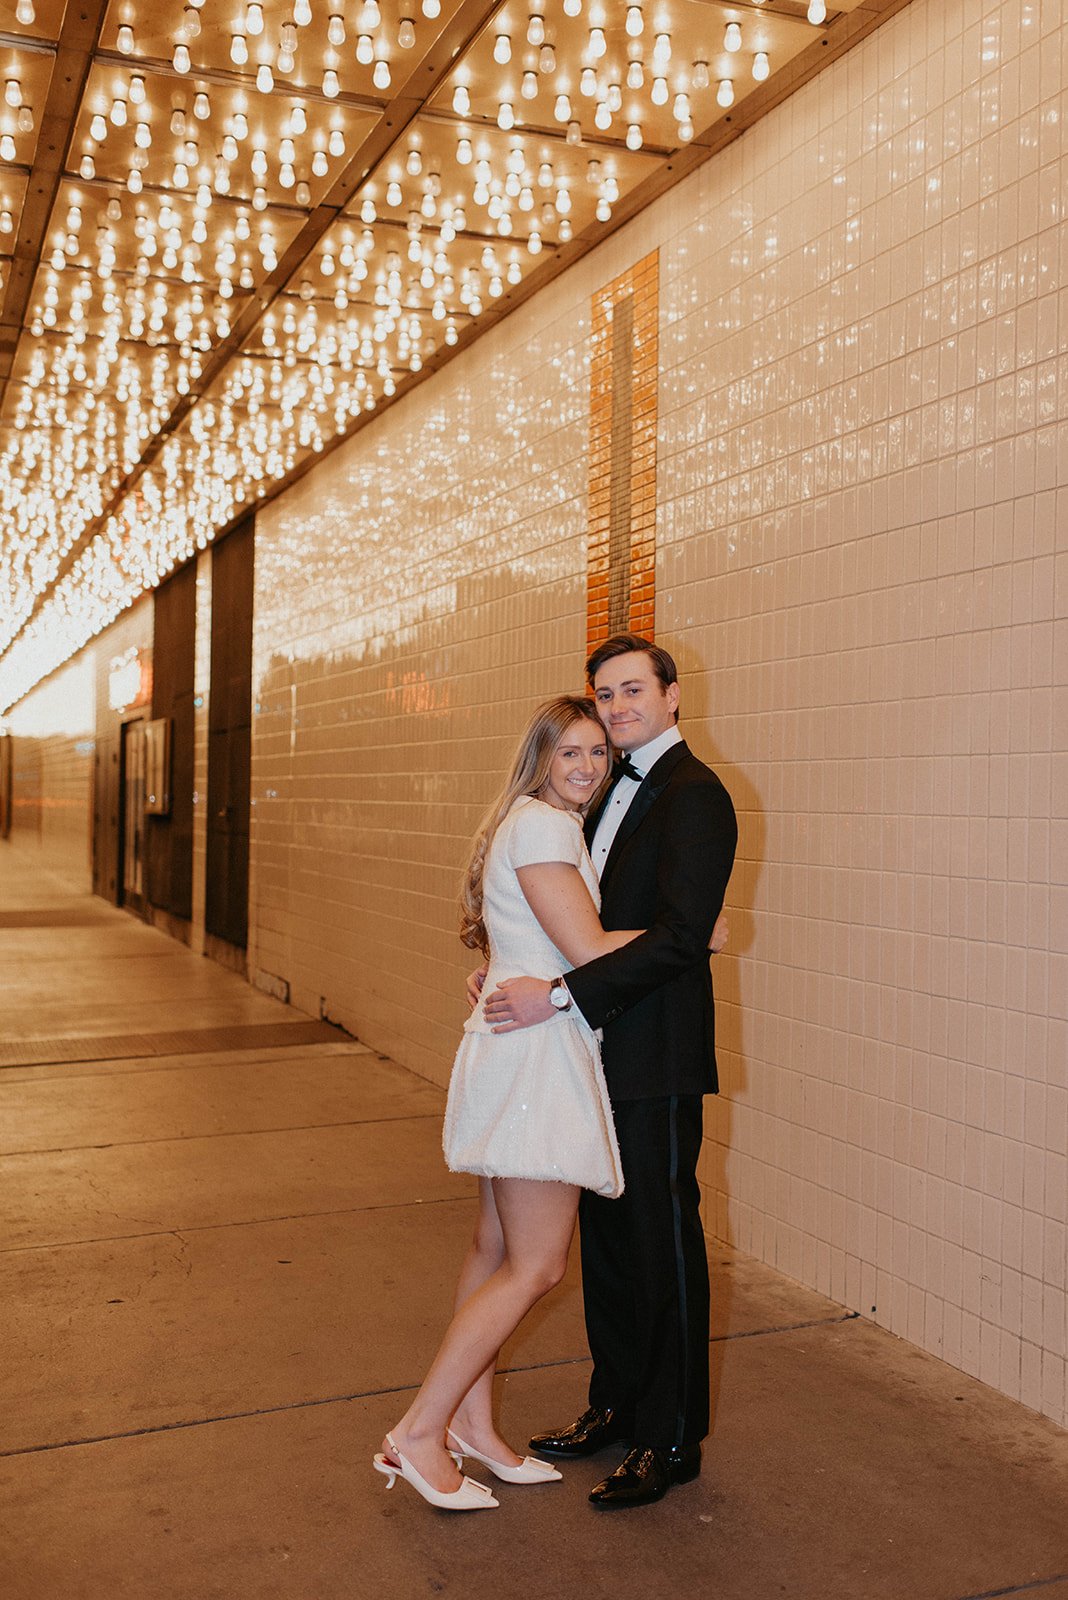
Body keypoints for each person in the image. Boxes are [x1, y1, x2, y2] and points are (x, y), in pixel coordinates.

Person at [480, 634, 737, 1508]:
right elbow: (571, 917)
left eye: (633, 690)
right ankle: (616, 1405)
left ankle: (669, 1438)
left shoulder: (697, 796)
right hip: (591, 1049)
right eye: (605, 693)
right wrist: (505, 966)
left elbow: (679, 938)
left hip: (654, 1051)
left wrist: (556, 996)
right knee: (610, 1240)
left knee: (661, 1243)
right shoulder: (593, 793)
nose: (619, 706)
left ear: (672, 696)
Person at [374, 694, 640, 1511]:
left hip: (512, 1050)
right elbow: (589, 950)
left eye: (597, 752)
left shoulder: (525, 821)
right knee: (538, 1264)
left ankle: (472, 1426)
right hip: (535, 1064)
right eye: (570, 752)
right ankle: (420, 1431)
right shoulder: (547, 827)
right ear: (541, 758)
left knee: (494, 1249)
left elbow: (528, 941)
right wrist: (686, 932)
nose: (587, 767)